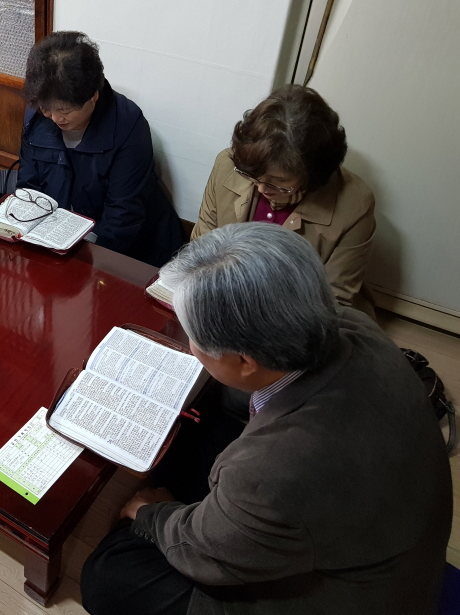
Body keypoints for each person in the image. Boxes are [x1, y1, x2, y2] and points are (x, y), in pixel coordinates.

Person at [81, 223, 451, 615]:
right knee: (211, 409)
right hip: (380, 533)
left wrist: (151, 515)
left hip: (352, 597)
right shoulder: (355, 326)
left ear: (245, 360)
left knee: (109, 575)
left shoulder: (270, 469)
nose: (191, 344)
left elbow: (208, 554)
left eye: (193, 337)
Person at [192, 84, 375, 314]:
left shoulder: (355, 203)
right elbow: (202, 248)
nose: (260, 188)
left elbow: (333, 298)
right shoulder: (228, 165)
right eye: (252, 176)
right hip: (226, 299)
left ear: (311, 175)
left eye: (278, 182)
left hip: (298, 312)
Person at [17, 31, 185, 266]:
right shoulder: (36, 116)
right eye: (46, 108)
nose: (55, 118)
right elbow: (29, 187)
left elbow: (123, 215)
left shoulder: (128, 125)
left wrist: (88, 262)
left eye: (64, 110)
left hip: (121, 247)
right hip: (58, 237)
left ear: (93, 96)